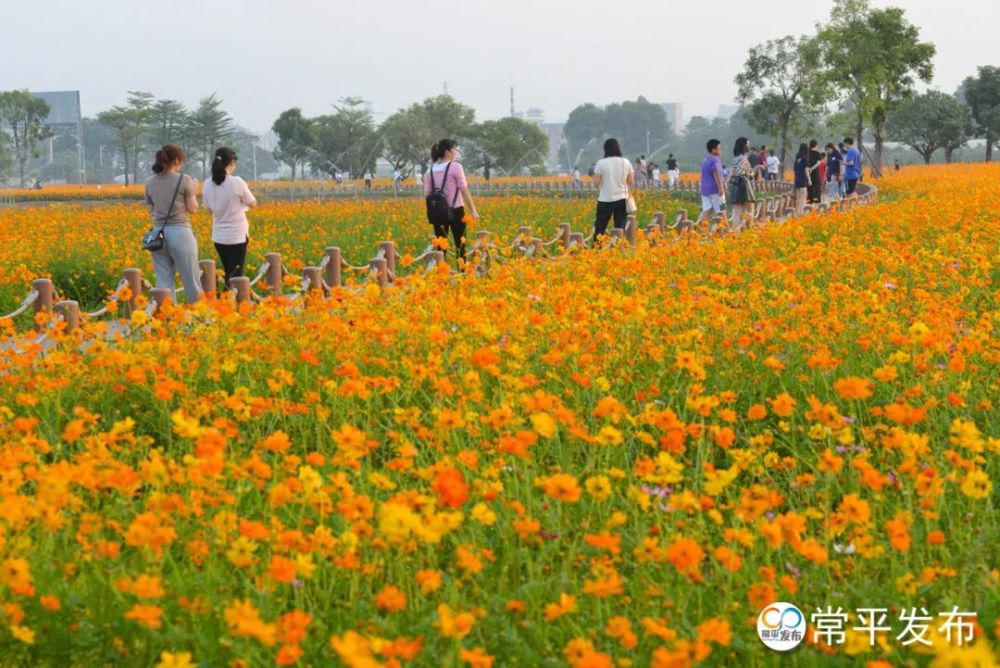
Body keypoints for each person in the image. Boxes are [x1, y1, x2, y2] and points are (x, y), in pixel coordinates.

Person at [143, 143, 201, 303]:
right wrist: (193, 189)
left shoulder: (149, 182)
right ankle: (200, 316)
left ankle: (167, 317)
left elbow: (150, 209)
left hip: (157, 234)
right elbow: (193, 208)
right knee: (191, 279)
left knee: (163, 281)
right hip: (180, 232)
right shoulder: (184, 180)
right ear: (176, 161)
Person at [202, 147, 257, 288]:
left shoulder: (207, 183)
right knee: (237, 273)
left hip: (219, 235)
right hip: (237, 234)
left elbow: (208, 208)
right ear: (232, 162)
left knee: (228, 269)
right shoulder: (237, 181)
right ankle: (233, 303)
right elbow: (253, 203)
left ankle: (226, 300)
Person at [424, 139, 479, 262]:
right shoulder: (455, 167)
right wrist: (473, 211)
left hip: (437, 212)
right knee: (460, 245)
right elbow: (464, 190)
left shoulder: (430, 170)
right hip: (456, 210)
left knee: (440, 247)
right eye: (454, 149)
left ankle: (440, 275)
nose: (456, 152)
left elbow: (427, 194)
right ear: (448, 152)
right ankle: (462, 274)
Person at [591, 138, 635, 237]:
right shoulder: (626, 162)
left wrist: (603, 184)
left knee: (600, 227)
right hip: (621, 199)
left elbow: (596, 182)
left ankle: (597, 249)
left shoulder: (601, 163)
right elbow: (631, 181)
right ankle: (618, 248)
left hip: (605, 199)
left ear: (605, 149)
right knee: (620, 227)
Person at [727, 137, 756, 224]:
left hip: (735, 185)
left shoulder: (735, 158)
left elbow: (733, 172)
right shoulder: (743, 158)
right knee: (750, 209)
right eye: (747, 144)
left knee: (737, 212)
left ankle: (736, 232)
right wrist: (752, 174)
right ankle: (749, 230)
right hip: (744, 184)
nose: (748, 146)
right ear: (743, 146)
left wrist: (727, 183)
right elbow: (742, 172)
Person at [697, 139, 725, 224]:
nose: (721, 150)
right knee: (721, 211)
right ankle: (726, 232)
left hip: (704, 189)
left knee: (707, 211)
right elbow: (717, 174)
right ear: (713, 150)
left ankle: (703, 231)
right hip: (714, 189)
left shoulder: (706, 160)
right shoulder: (715, 160)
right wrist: (721, 188)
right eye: (719, 148)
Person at [793, 143, 810, 215]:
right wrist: (809, 179)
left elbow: (794, 169)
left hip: (797, 179)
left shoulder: (797, 158)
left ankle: (797, 212)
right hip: (803, 179)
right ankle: (801, 212)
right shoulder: (804, 158)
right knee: (803, 196)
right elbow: (806, 170)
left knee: (798, 197)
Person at [807, 140, 823, 204]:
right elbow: (819, 162)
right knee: (816, 187)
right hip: (815, 173)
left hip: (808, 172)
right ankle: (817, 201)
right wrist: (812, 168)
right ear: (816, 145)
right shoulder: (817, 153)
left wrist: (809, 169)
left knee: (809, 187)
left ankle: (809, 201)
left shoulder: (807, 152)